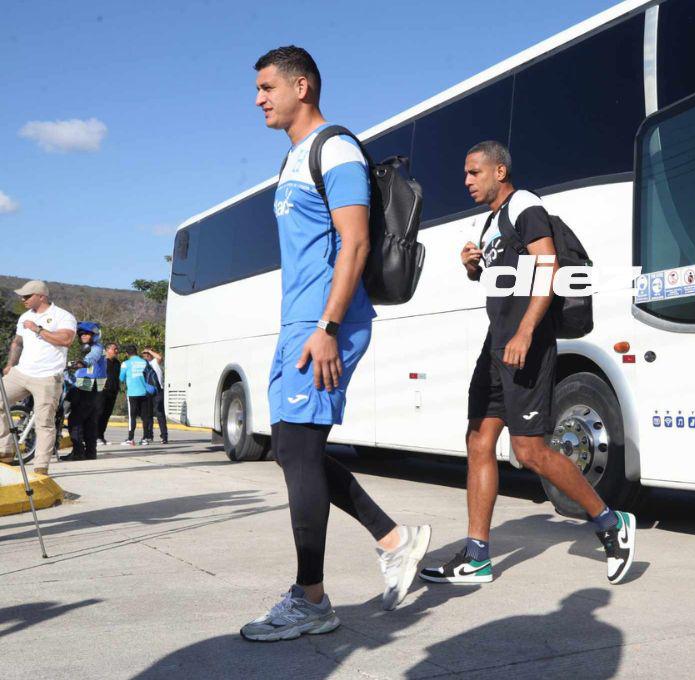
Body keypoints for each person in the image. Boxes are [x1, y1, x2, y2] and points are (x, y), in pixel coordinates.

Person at [240, 45, 430, 643]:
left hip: (326, 324)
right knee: (293, 452)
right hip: (301, 322)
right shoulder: (294, 159)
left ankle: (312, 600)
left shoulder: (336, 149)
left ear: (303, 86)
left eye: (268, 87)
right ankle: (395, 540)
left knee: (296, 452)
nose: (259, 99)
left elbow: (355, 244)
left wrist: (326, 326)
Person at [418, 141, 637, 587]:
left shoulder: (525, 205)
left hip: (527, 345)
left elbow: (548, 267)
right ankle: (478, 555)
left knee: (529, 451)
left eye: (474, 172)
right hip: (495, 345)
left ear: (500, 171)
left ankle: (611, 523)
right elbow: (505, 278)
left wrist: (525, 332)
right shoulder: (494, 223)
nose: (466, 181)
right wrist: (471, 266)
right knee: (479, 440)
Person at [0, 280, 76, 476]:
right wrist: (10, 364)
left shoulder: (62, 316)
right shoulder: (24, 317)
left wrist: (38, 329)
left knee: (44, 422)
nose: (23, 299)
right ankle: (5, 449)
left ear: (41, 296)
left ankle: (41, 467)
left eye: (27, 296)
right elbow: (17, 343)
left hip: (48, 377)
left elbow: (66, 340)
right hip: (21, 372)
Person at [66, 322, 106, 461]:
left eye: (87, 334)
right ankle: (90, 452)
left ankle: (78, 452)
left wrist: (82, 363)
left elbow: (91, 359)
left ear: (94, 335)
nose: (83, 336)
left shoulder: (96, 348)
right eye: (81, 334)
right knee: (90, 421)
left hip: (88, 385)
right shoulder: (86, 349)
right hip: (93, 386)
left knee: (75, 419)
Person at [119, 345, 152, 446]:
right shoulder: (144, 362)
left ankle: (130, 438)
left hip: (132, 393)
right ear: (136, 352)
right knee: (145, 417)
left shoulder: (125, 363)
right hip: (144, 392)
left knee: (132, 417)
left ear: (127, 354)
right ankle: (145, 438)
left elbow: (121, 378)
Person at [96, 343, 121, 446]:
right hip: (101, 392)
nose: (116, 351)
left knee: (106, 415)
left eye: (116, 349)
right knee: (99, 414)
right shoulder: (100, 361)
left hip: (112, 392)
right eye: (114, 349)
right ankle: (95, 437)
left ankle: (101, 436)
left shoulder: (117, 363)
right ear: (107, 350)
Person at [142, 348, 168, 444]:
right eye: (144, 354)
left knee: (159, 413)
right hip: (148, 391)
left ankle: (164, 436)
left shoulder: (155, 362)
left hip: (158, 391)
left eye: (147, 354)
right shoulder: (143, 364)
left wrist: (150, 351)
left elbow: (160, 357)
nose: (146, 355)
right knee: (148, 414)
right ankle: (149, 435)